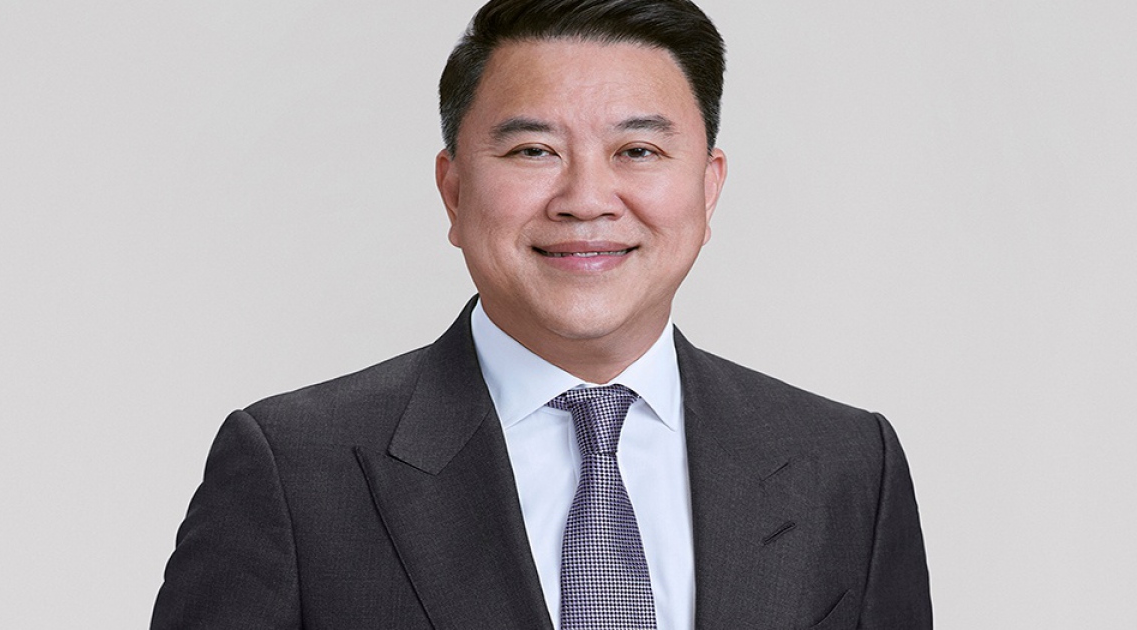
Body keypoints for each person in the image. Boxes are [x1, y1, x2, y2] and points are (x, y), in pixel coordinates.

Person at [151, 0, 932, 628]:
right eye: (533, 152)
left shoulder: (845, 465)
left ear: (708, 186)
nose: (586, 200)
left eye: (638, 151)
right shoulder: (294, 469)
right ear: (455, 191)